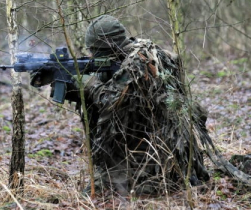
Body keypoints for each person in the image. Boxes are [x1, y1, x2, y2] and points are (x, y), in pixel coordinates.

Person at [74, 15, 213, 195]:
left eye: (95, 50)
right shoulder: (143, 51)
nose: (92, 55)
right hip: (151, 140)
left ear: (109, 47)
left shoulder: (137, 62)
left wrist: (88, 83)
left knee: (140, 190)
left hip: (157, 150)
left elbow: (110, 99)